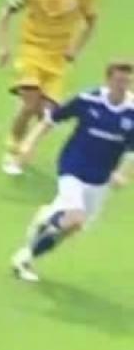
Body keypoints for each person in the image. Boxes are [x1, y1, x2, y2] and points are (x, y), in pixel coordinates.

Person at [11, 62, 134, 282]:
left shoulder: (132, 111)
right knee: (74, 218)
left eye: (127, 81)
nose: (122, 85)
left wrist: (124, 173)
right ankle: (26, 255)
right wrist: (29, 143)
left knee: (69, 229)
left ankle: (32, 248)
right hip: (72, 168)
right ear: (108, 80)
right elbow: (51, 119)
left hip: (100, 178)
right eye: (118, 80)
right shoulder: (88, 100)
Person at [0, 0, 97, 176]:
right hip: (31, 52)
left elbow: (91, 21)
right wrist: (3, 47)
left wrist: (76, 49)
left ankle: (27, 144)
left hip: (58, 60)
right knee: (29, 105)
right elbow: (6, 12)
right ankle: (13, 149)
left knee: (47, 115)